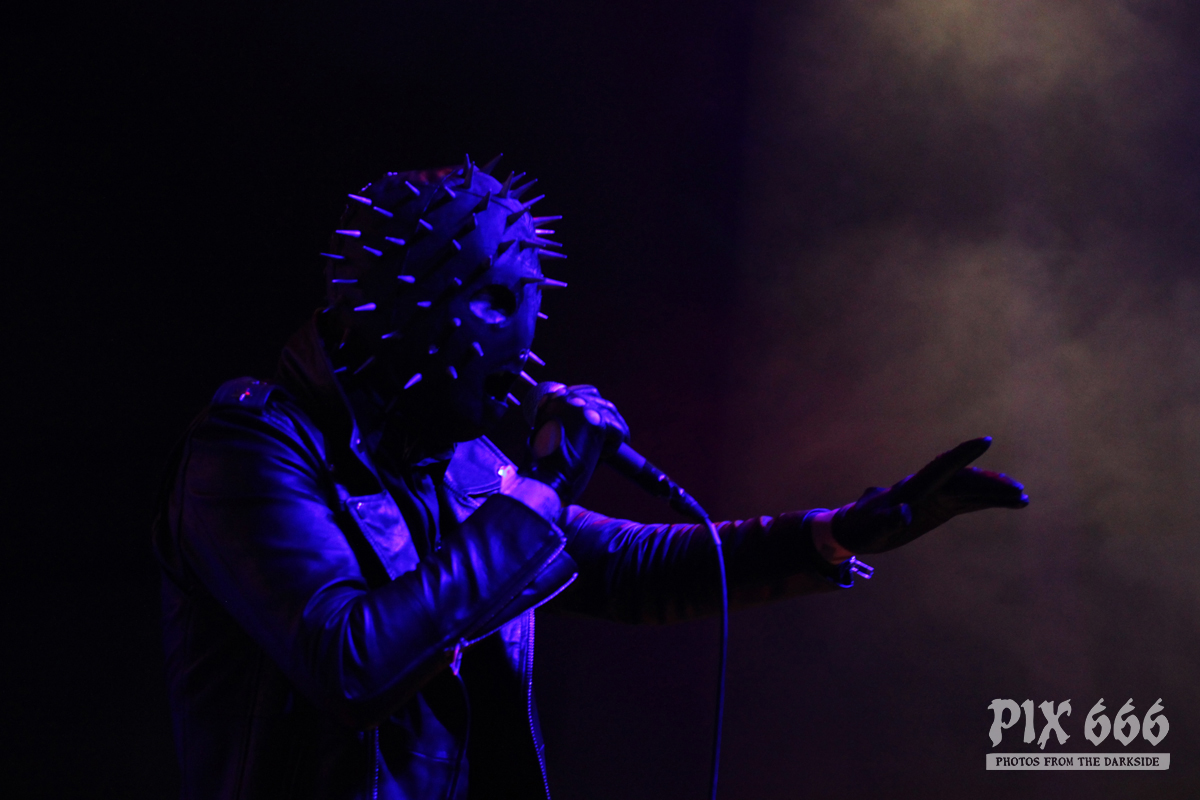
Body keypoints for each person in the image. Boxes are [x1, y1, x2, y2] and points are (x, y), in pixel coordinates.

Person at [152, 158, 1029, 799]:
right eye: (494, 302)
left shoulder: (459, 464)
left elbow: (625, 567)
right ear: (409, 303)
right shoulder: (251, 450)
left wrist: (833, 534)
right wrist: (540, 488)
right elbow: (351, 661)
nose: (526, 341)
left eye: (530, 305)